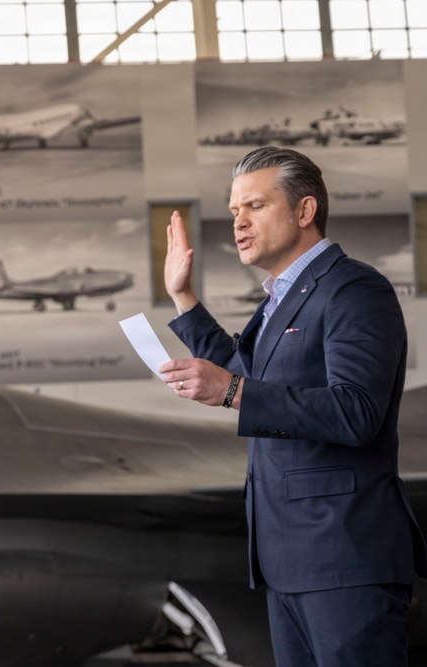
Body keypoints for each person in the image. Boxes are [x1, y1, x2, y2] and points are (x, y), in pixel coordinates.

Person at [160, 146, 427, 666]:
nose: (238, 222)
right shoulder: (282, 298)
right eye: (234, 209)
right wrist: (183, 298)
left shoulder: (354, 289)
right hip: (290, 562)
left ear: (305, 212)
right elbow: (245, 375)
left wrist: (233, 392)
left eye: (255, 206)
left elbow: (355, 412)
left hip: (345, 558)